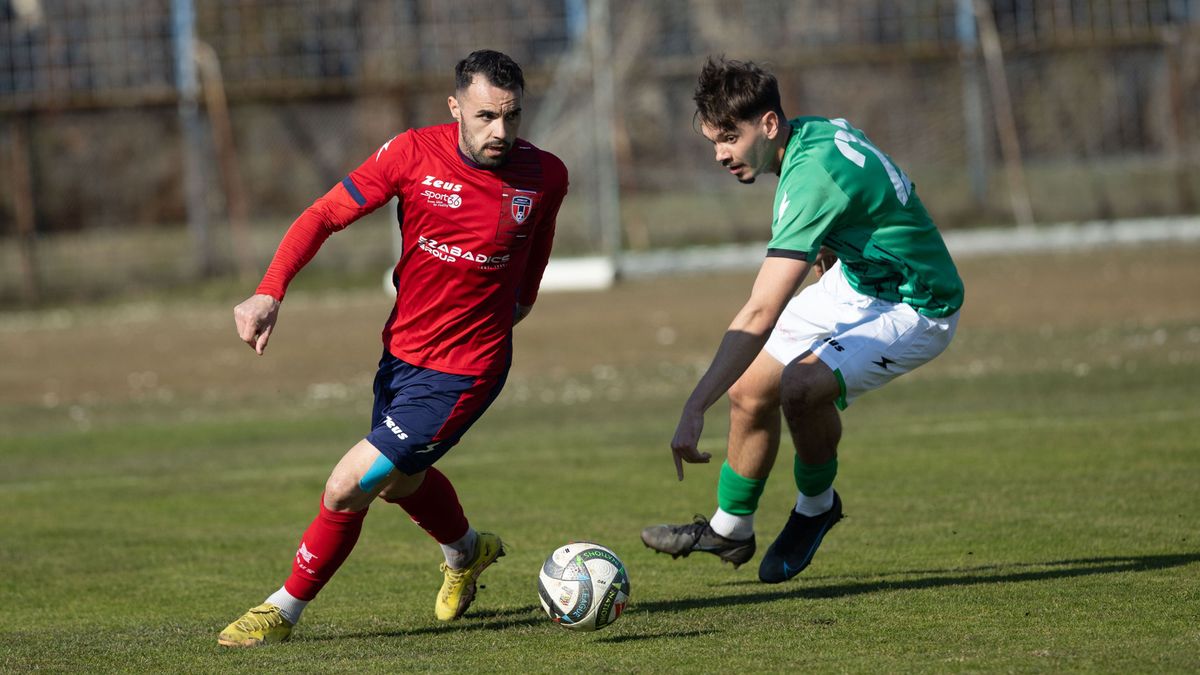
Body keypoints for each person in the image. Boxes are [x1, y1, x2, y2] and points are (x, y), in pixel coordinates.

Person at [218, 49, 568, 647]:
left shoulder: (546, 175)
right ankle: (467, 551)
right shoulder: (411, 154)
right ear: (455, 107)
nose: (501, 132)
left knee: (348, 484)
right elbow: (325, 214)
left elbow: (532, 267)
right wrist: (268, 291)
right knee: (401, 481)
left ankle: (282, 610)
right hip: (402, 356)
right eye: (485, 116)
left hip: (467, 370)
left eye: (512, 117)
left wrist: (498, 317)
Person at [641, 57, 964, 584]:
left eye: (729, 137)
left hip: (916, 302)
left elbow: (761, 310)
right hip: (858, 282)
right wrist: (835, 247)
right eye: (713, 143)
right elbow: (867, 185)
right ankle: (731, 528)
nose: (721, 154)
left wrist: (695, 406)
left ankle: (817, 507)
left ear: (768, 125)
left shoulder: (812, 177)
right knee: (748, 392)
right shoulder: (809, 133)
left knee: (801, 385)